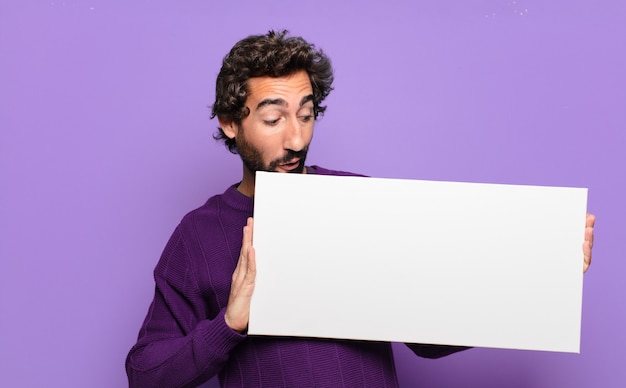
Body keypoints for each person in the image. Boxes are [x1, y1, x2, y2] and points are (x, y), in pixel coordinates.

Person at [125, 30, 596, 387]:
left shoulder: (360, 202)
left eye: (306, 115)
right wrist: (230, 323)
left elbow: (428, 338)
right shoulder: (199, 234)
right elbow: (145, 373)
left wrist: (542, 280)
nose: (296, 138)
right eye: (273, 119)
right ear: (231, 123)